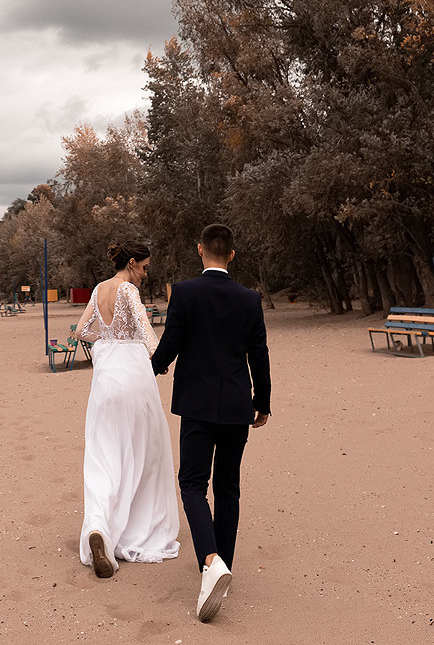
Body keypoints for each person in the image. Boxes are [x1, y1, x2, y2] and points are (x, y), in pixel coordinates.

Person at [151, 223, 271, 624]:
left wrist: (149, 369)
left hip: (197, 405)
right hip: (236, 406)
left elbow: (171, 343)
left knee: (191, 484)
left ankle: (210, 560)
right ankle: (224, 565)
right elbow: (259, 354)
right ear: (232, 254)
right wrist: (262, 402)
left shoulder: (184, 293)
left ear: (200, 249)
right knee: (228, 487)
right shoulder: (250, 299)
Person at [75, 240, 180, 578]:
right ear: (132, 262)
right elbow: (147, 332)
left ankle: (98, 528)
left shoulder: (99, 290)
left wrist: (108, 342)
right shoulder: (128, 290)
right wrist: (159, 359)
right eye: (144, 267)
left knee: (105, 457)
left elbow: (81, 331)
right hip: (133, 378)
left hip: (105, 382)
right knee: (146, 453)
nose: (145, 274)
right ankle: (137, 529)